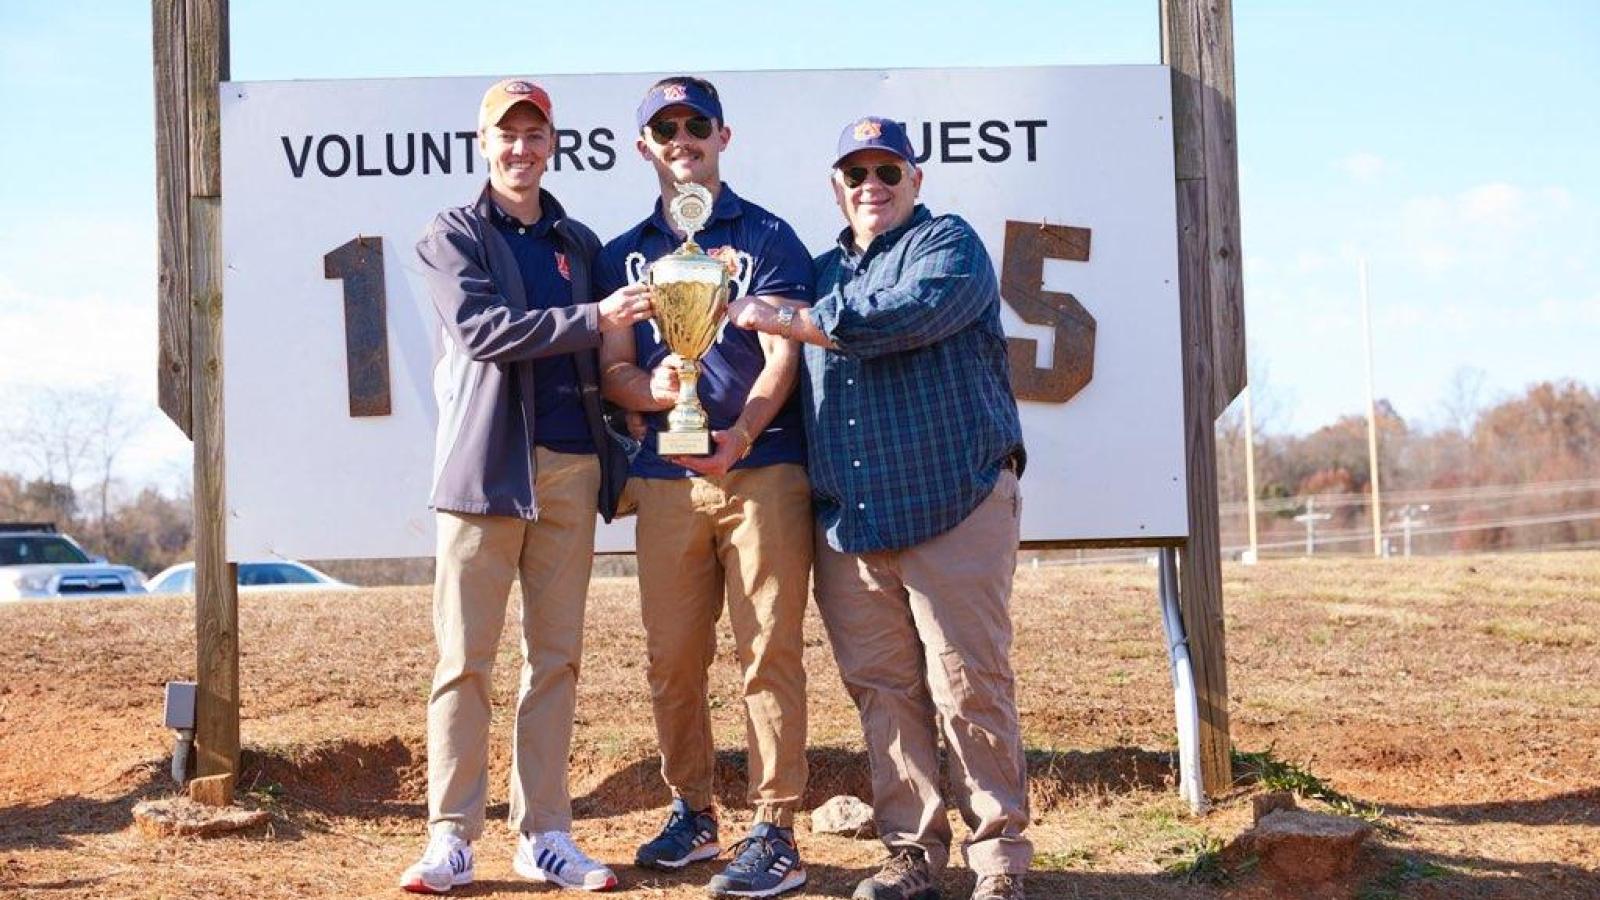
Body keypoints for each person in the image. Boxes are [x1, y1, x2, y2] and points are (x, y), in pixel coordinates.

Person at [727, 116, 1032, 900]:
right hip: (853, 523)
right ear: (837, 186)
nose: (872, 186)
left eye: (887, 171)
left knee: (969, 685)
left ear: (914, 180)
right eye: (856, 173)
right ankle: (912, 851)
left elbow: (902, 316)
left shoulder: (948, 245)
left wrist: (786, 318)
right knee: (884, 692)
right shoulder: (819, 271)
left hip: (954, 502)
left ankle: (997, 859)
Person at [401, 77, 653, 895]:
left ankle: (545, 833)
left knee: (555, 661)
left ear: (553, 145)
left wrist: (644, 395)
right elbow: (483, 332)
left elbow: (607, 354)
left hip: (572, 471)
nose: (521, 148)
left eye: (534, 134)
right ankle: (450, 836)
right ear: (483, 144)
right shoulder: (453, 233)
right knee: (463, 661)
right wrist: (597, 317)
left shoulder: (578, 242)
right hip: (484, 474)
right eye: (506, 135)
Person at [594, 75, 814, 899]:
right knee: (672, 657)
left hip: (763, 468)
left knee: (769, 650)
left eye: (696, 125)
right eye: (665, 129)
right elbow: (613, 369)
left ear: (724, 137)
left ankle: (775, 827)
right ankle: (692, 808)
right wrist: (656, 392)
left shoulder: (770, 235)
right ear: (643, 146)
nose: (681, 140)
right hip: (663, 476)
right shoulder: (622, 252)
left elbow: (785, 353)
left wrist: (741, 434)